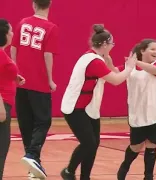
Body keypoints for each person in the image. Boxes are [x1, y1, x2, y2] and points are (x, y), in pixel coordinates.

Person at [60, 24, 137, 180]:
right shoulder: (94, 61)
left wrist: (110, 63)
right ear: (104, 44)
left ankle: (85, 177)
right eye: (111, 44)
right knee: (88, 143)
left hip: (89, 107)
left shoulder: (95, 58)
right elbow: (116, 80)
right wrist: (129, 68)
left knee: (93, 144)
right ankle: (68, 171)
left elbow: (113, 72)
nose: (112, 47)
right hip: (75, 108)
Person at [10, 0, 58, 178]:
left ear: (33, 4)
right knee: (43, 121)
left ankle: (32, 165)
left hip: (22, 81)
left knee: (26, 123)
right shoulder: (51, 28)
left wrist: (16, 71)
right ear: (50, 4)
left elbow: (14, 48)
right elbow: (47, 55)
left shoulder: (22, 23)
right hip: (39, 83)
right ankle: (32, 155)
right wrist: (50, 79)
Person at [116, 39, 156, 180]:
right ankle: (124, 168)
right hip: (137, 114)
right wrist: (108, 61)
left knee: (152, 145)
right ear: (142, 51)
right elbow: (114, 73)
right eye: (152, 49)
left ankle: (148, 176)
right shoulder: (129, 68)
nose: (155, 52)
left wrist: (135, 62)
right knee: (136, 146)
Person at [0, 19, 25, 180]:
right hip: (1, 104)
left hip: (5, 101)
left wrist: (14, 77)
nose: (13, 34)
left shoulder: (2, 54)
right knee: (1, 147)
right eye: (10, 31)